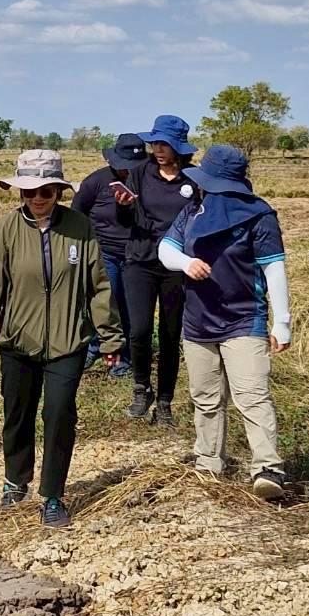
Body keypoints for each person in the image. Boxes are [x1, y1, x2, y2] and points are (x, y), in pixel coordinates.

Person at [0, 149, 124, 530]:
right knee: (17, 415)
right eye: (30, 191)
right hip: (18, 342)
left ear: (59, 192)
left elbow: (99, 287)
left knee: (59, 414)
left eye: (47, 191)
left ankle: (52, 495)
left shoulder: (80, 228)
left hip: (68, 342)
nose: (38, 198)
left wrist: (111, 340)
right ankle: (15, 481)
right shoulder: (3, 231)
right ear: (19, 193)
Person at [157, 144, 291, 500]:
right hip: (198, 321)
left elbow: (273, 268)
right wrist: (186, 263)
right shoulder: (192, 211)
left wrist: (282, 323)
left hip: (243, 319)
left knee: (252, 396)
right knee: (206, 397)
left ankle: (267, 468)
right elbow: (165, 249)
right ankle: (209, 462)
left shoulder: (259, 216)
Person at [115, 115, 198, 426]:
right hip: (140, 260)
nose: (158, 149)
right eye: (155, 143)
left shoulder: (193, 179)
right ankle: (141, 388)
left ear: (179, 147)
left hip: (175, 265)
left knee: (169, 334)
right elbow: (125, 222)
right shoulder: (138, 174)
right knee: (138, 330)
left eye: (164, 144)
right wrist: (122, 206)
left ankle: (164, 401)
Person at [72, 132, 145, 378]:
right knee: (104, 302)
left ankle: (121, 357)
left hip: (136, 254)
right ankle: (94, 347)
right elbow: (77, 212)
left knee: (128, 306)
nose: (128, 172)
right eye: (124, 167)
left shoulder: (148, 181)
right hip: (104, 252)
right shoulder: (96, 181)